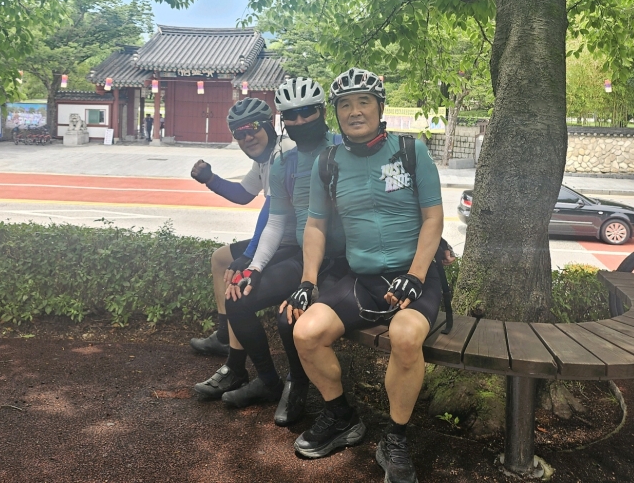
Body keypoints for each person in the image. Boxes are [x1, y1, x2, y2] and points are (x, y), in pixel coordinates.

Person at [282, 67, 444, 483]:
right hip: (362, 279)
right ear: (336, 113)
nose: (355, 111)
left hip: (414, 279)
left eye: (364, 102)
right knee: (305, 333)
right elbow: (315, 225)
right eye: (345, 105)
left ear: (380, 107)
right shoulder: (328, 163)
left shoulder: (411, 151)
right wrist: (307, 282)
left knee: (405, 337)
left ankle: (395, 438)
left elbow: (433, 218)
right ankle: (341, 417)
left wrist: (415, 275)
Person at [221, 77, 347, 424]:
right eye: (292, 115)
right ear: (282, 120)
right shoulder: (283, 163)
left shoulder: (345, 148)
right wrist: (254, 267)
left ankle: (298, 384)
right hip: (304, 257)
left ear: (323, 112)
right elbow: (276, 223)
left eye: (308, 112)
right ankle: (267, 380)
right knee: (237, 298)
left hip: (343, 261)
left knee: (287, 315)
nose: (300, 121)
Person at [190, 98, 295, 399]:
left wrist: (249, 257)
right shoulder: (264, 157)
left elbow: (273, 212)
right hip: (279, 240)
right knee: (220, 259)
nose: (247, 137)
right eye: (239, 133)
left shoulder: (284, 153)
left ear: (269, 124)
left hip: (294, 245)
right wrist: (210, 179)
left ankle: (236, 365)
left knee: (235, 286)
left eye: (252, 128)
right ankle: (225, 335)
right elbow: (244, 194)